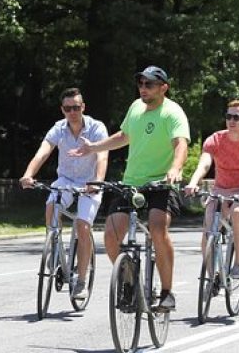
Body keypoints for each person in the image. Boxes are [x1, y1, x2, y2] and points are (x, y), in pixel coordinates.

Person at [70, 66, 189, 311]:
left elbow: (181, 144)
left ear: (163, 87)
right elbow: (124, 136)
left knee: (157, 227)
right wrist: (94, 148)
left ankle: (167, 292)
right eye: (141, 84)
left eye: (149, 85)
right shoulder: (135, 107)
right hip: (132, 182)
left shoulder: (172, 112)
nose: (143, 89)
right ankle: (129, 281)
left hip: (160, 183)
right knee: (111, 235)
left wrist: (175, 169)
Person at [19, 88, 109, 300]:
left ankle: (81, 281)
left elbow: (103, 157)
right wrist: (28, 174)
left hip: (90, 183)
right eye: (68, 108)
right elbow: (42, 152)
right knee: (51, 206)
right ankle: (55, 247)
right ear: (62, 110)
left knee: (82, 226)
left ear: (83, 107)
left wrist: (97, 182)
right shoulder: (59, 129)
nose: (72, 112)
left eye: (76, 107)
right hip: (66, 180)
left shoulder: (96, 128)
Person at [184, 99, 239, 280]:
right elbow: (205, 164)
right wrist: (193, 182)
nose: (232, 120)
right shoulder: (215, 139)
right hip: (220, 190)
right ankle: (210, 276)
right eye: (228, 116)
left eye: (236, 117)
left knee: (237, 213)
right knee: (208, 227)